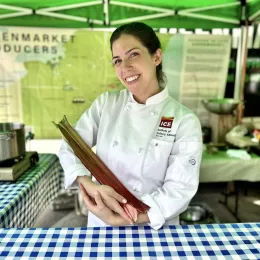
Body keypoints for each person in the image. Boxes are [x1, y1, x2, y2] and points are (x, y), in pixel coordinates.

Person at [59, 22, 202, 230]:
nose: (125, 68)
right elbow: (71, 144)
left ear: (156, 57)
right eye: (117, 60)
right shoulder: (106, 104)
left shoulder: (184, 120)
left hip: (154, 228)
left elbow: (179, 188)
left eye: (133, 55)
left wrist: (129, 217)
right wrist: (87, 182)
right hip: (103, 224)